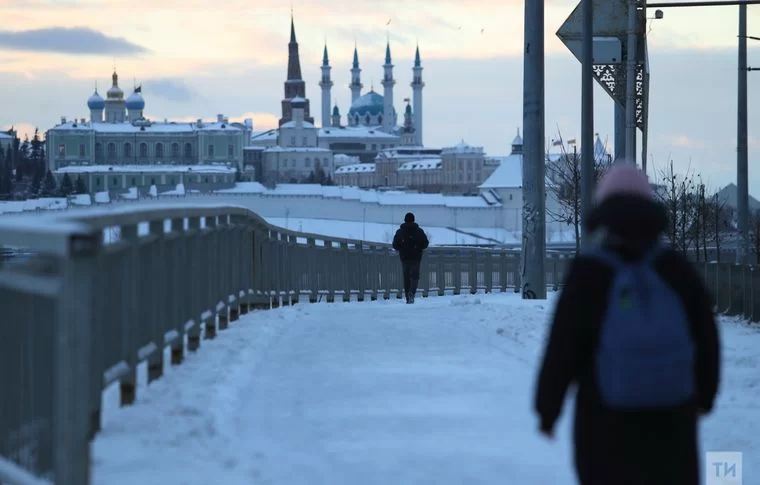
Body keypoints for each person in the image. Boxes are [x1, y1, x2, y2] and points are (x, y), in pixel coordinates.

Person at [533, 164, 720, 485]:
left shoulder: (589, 272)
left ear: (603, 207)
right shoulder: (676, 269)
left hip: (604, 418)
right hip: (672, 418)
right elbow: (706, 336)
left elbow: (563, 345)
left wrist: (547, 410)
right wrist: (704, 396)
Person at [392, 212, 429, 304]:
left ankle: (408, 298)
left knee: (406, 277)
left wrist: (401, 248)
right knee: (415, 277)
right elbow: (425, 243)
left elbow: (395, 245)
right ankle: (412, 293)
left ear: (405, 220)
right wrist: (418, 247)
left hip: (404, 257)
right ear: (414, 220)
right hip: (416, 257)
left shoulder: (400, 232)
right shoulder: (419, 231)